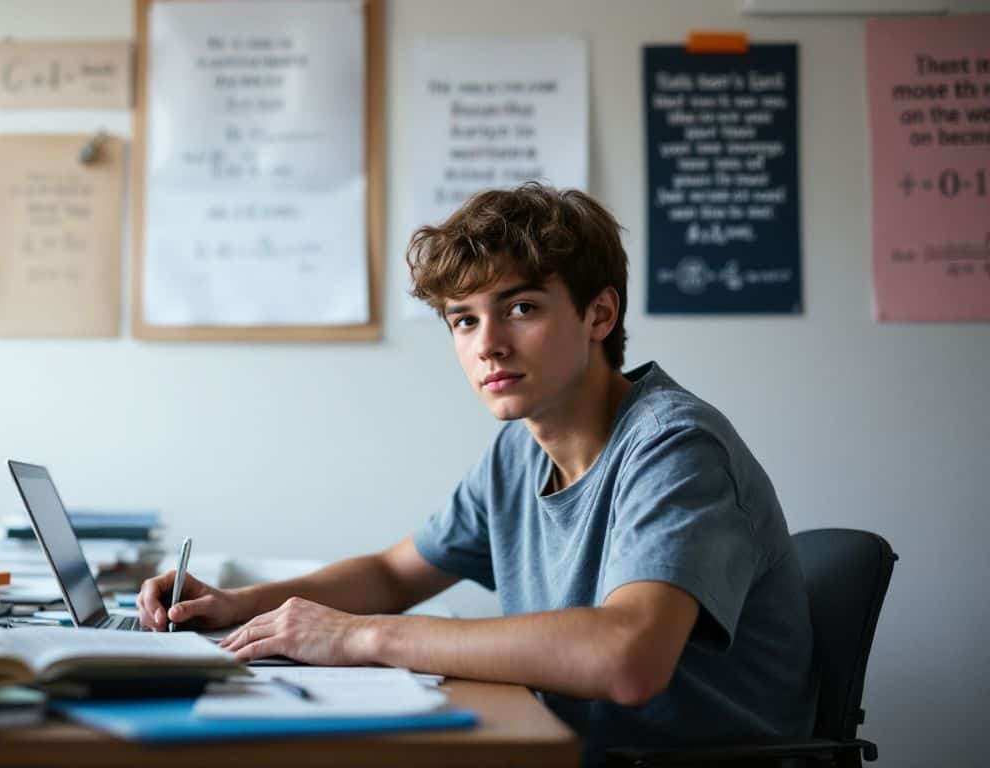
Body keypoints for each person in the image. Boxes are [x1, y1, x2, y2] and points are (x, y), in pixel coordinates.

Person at [136, 183, 814, 763]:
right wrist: (237, 604)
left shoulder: (673, 447)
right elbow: (394, 574)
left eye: (521, 308)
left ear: (598, 314)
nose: (487, 343)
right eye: (464, 319)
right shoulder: (520, 450)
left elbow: (628, 657)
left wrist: (360, 637)